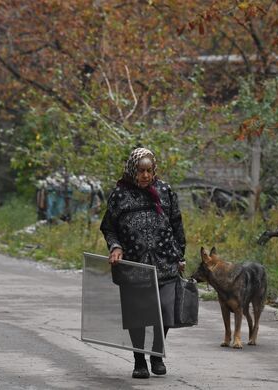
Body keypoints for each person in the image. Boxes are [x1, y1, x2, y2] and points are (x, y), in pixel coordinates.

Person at [100, 147, 186, 379]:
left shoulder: (165, 191)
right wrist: (115, 246)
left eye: (149, 170)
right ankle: (139, 360)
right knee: (137, 313)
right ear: (132, 170)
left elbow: (177, 224)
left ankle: (156, 352)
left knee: (165, 311)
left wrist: (180, 255)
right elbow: (109, 227)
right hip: (134, 264)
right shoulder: (119, 194)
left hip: (165, 261)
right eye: (141, 171)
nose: (145, 175)